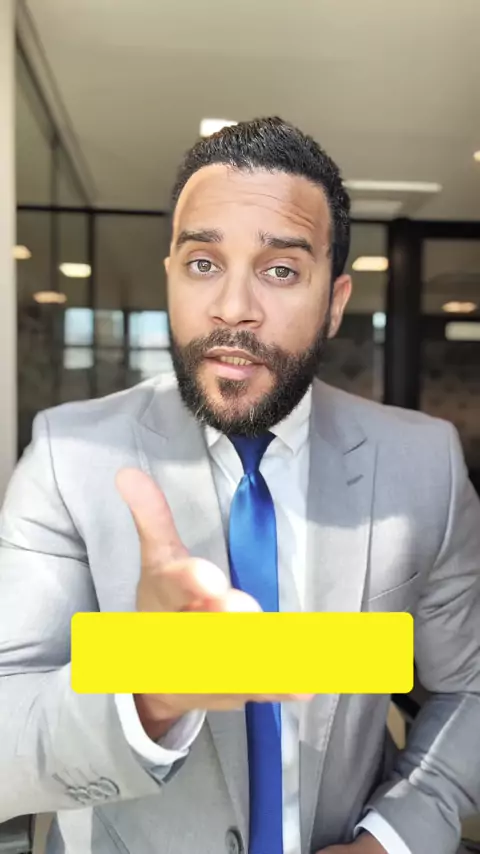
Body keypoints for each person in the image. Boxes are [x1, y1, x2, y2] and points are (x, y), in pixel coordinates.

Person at [1, 117, 480, 854]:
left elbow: (468, 688)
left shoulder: (423, 465)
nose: (232, 307)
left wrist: (393, 840)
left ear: (336, 300)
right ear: (170, 274)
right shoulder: (70, 456)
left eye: (280, 270)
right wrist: (149, 690)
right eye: (203, 263)